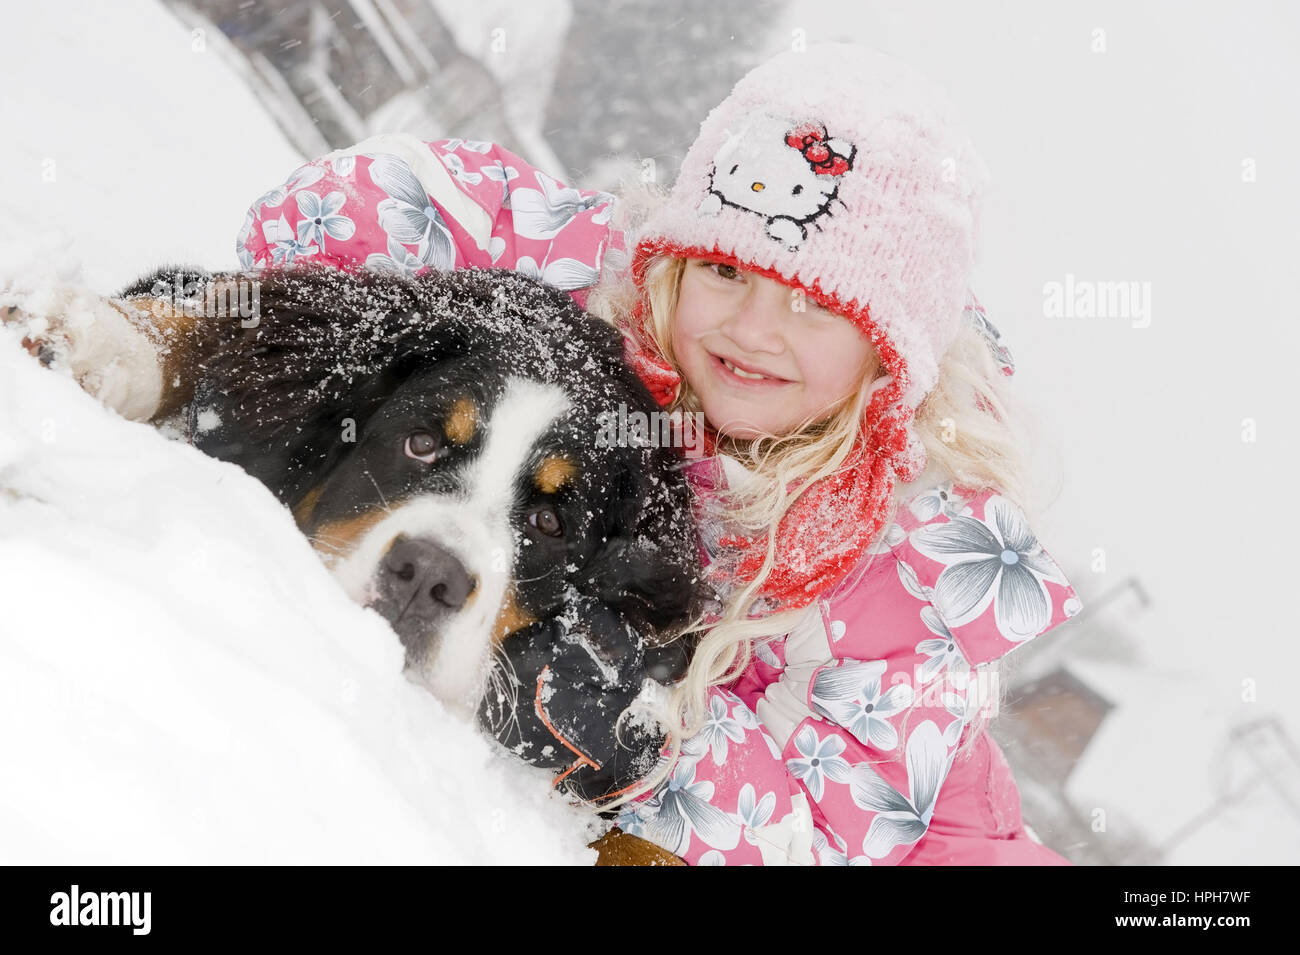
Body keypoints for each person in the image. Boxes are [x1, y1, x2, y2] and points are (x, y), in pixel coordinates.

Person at [230, 43, 1084, 865]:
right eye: (725, 271)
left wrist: (635, 720)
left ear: (888, 363)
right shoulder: (602, 288)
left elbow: (815, 838)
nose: (752, 331)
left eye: (815, 308)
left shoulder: (901, 566)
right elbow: (340, 212)